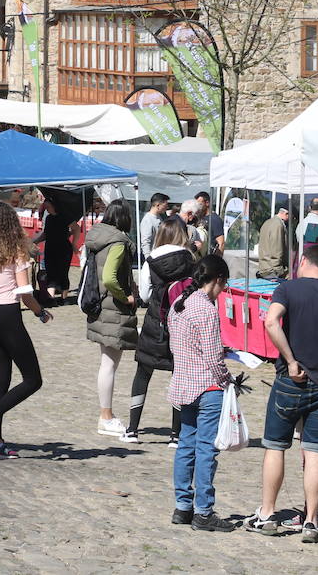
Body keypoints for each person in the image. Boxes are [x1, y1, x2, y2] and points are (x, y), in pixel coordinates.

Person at [249, 244, 318, 542]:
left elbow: (271, 321)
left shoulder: (288, 289)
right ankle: (311, 520)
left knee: (275, 446)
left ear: (306, 262)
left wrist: (290, 359)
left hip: (290, 381)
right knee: (315, 452)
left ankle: (268, 514)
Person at [0, 200, 52, 458]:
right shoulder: (17, 250)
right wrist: (40, 312)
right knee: (33, 379)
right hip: (7, 315)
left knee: (1, 379)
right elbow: (25, 293)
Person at [167, 254, 237, 532]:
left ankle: (182, 506)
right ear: (218, 280)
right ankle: (204, 511)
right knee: (206, 449)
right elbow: (212, 357)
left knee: (186, 445)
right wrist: (228, 381)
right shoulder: (206, 310)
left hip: (184, 384)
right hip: (207, 387)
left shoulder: (178, 304)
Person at [126, 217, 194, 444]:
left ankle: (132, 430)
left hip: (156, 321)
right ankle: (176, 435)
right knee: (180, 376)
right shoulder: (191, 258)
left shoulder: (151, 260)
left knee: (143, 374)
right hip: (181, 322)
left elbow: (144, 295)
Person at [84, 199, 138, 438]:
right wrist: (125, 296)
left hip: (98, 305)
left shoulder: (97, 237)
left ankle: (105, 414)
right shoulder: (118, 241)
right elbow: (109, 277)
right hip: (112, 307)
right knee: (109, 364)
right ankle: (106, 416)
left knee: (106, 363)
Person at [33, 197, 75, 304]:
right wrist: (36, 241)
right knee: (50, 272)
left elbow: (77, 229)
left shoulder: (65, 216)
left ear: (54, 205)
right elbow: (45, 234)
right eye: (46, 207)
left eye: (48, 207)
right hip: (50, 248)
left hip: (64, 249)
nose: (47, 209)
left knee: (63, 272)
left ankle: (63, 297)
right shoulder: (49, 218)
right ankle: (50, 298)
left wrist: (74, 244)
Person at [254, 205, 291, 280]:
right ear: (286, 214)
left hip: (264, 268)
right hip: (272, 271)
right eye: (291, 217)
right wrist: (280, 272)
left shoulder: (267, 222)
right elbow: (277, 251)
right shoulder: (278, 225)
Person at [138, 192, 170, 257]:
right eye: (165, 205)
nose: (167, 207)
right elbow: (145, 242)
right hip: (154, 257)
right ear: (158, 205)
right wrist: (148, 259)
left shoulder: (159, 217)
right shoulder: (148, 220)